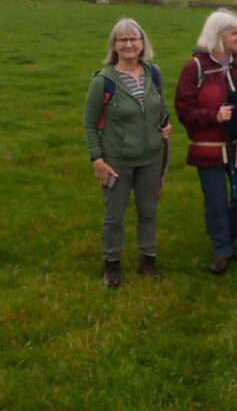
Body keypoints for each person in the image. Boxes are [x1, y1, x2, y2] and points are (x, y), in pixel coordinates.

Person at [175, 9, 237, 275]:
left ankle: (226, 237)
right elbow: (184, 109)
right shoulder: (195, 68)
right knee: (215, 202)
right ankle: (222, 250)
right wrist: (213, 116)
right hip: (210, 149)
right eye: (233, 33)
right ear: (218, 35)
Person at [83, 18, 172, 288]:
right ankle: (112, 267)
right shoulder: (103, 82)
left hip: (151, 159)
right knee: (114, 217)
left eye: (134, 38)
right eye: (123, 40)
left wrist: (165, 126)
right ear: (114, 46)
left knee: (148, 213)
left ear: (142, 43)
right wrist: (97, 159)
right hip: (116, 162)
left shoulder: (153, 74)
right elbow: (89, 123)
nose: (129, 44)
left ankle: (148, 261)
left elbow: (160, 106)